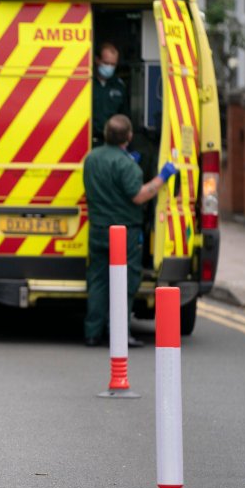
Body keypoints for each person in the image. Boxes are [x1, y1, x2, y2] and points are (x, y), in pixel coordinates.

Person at [83, 114, 176, 347]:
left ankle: (92, 333)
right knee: (125, 285)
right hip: (124, 234)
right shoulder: (127, 165)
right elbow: (139, 195)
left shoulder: (91, 159)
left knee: (97, 282)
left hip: (97, 230)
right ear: (129, 137)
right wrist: (162, 177)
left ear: (105, 134)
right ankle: (119, 335)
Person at [92, 42, 127, 145]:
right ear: (97, 60)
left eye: (113, 64)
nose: (109, 67)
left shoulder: (119, 86)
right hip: (89, 139)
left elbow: (124, 116)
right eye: (106, 63)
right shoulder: (87, 84)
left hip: (112, 142)